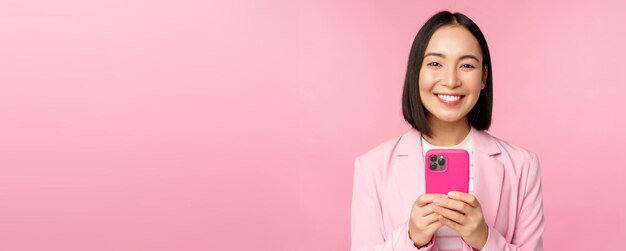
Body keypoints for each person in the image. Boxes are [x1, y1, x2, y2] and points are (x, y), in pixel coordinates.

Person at [350, 11, 545, 251]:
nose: (451, 80)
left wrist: (484, 239)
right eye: (435, 63)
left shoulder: (523, 165)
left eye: (466, 65)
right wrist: (411, 239)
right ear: (416, 72)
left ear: (483, 77)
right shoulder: (372, 167)